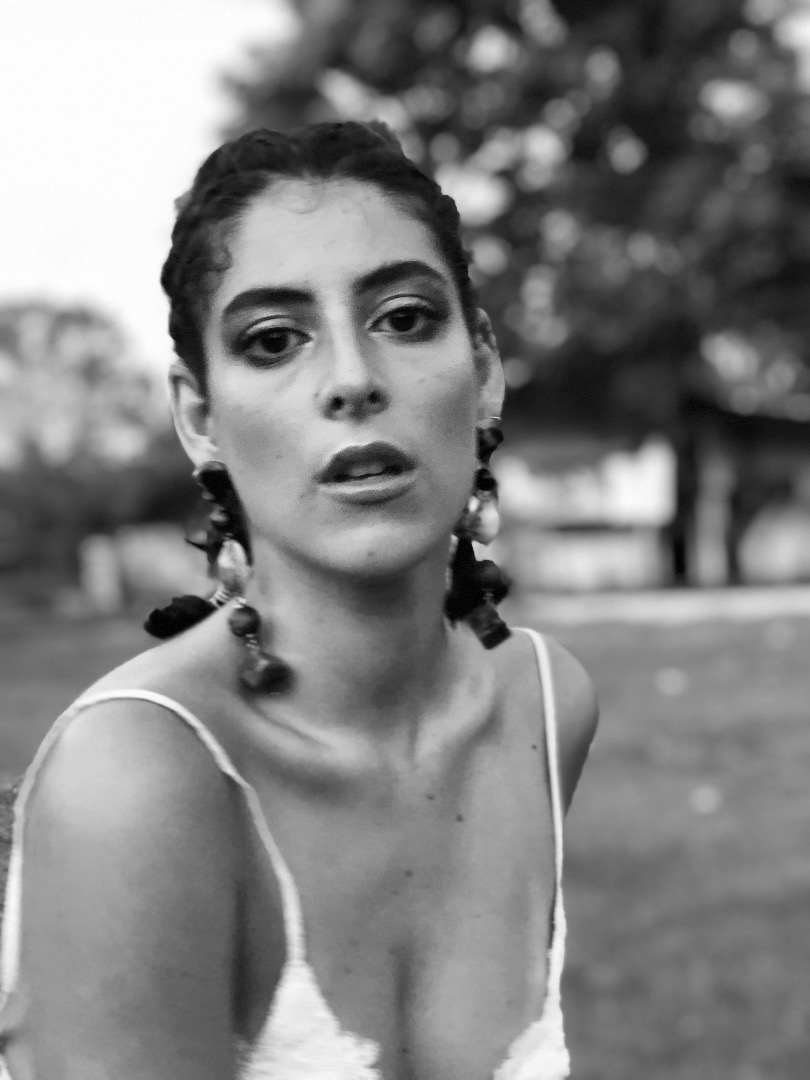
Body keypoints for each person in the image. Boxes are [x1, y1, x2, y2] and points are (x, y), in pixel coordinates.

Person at [0, 121, 598, 1080]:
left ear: (483, 368)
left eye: (404, 318)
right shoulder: (140, 779)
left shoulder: (544, 705)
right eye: (274, 341)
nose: (353, 381)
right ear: (200, 416)